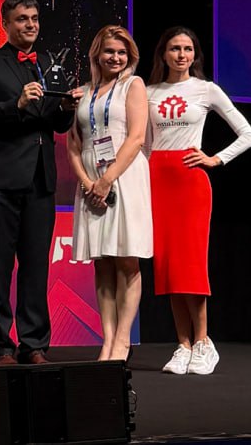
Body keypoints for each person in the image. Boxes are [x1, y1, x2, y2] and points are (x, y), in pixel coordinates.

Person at [0, 0, 80, 365]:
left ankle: (34, 344)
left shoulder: (48, 62)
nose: (30, 25)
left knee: (35, 267)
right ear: (5, 24)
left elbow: (57, 124)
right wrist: (15, 105)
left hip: (40, 180)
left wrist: (65, 107)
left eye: (34, 18)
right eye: (21, 19)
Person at [145, 26, 251, 376]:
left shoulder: (206, 90)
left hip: (190, 183)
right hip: (156, 182)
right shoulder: (147, 92)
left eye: (188, 49)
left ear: (195, 55)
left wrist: (216, 159)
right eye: (175, 48)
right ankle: (182, 345)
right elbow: (144, 144)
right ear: (163, 54)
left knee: (191, 265)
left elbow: (248, 135)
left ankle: (204, 343)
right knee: (168, 267)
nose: (182, 55)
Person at [66, 26, 152, 362]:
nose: (115, 58)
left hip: (124, 176)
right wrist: (88, 182)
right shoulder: (83, 92)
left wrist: (107, 181)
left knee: (126, 261)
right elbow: (74, 145)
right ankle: (107, 340)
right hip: (91, 181)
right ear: (96, 55)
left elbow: (136, 138)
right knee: (101, 262)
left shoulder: (133, 85)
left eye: (121, 52)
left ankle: (123, 341)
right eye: (109, 52)